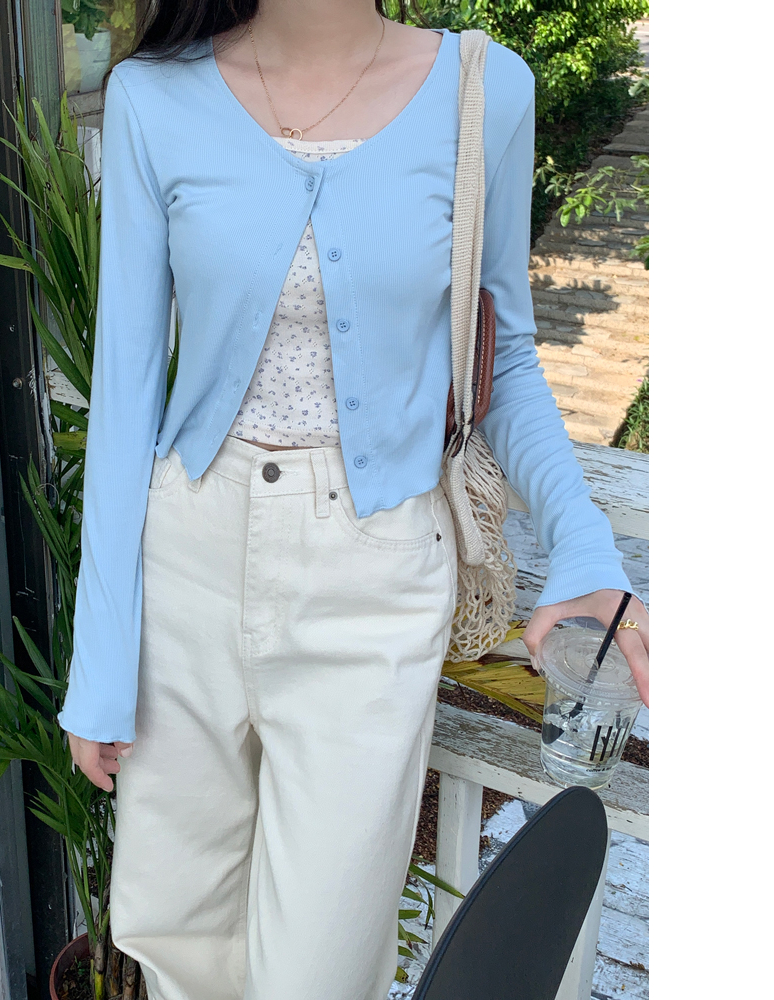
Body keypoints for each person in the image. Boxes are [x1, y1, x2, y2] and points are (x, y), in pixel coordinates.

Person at [58, 2, 651, 998]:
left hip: (372, 584)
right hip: (185, 570)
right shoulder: (150, 98)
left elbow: (502, 357)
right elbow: (125, 398)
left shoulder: (485, 92)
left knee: (321, 968)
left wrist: (584, 547)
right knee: (177, 942)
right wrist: (101, 658)